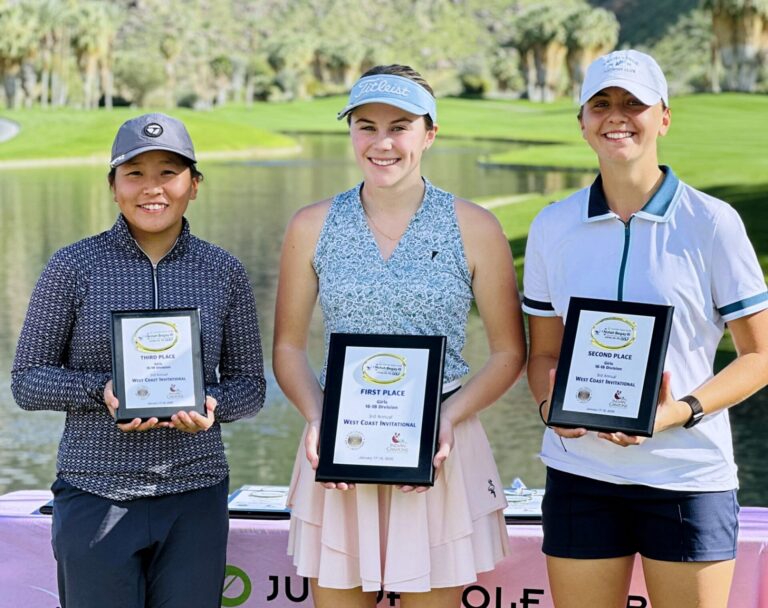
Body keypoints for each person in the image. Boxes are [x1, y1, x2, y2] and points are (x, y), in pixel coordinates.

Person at [273, 64, 526, 607]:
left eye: (400, 126)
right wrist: (319, 418)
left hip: (439, 447)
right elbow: (288, 347)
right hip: (342, 448)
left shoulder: (474, 226)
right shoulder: (311, 224)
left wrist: (448, 418)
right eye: (366, 125)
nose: (382, 142)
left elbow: (509, 353)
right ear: (350, 131)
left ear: (429, 133)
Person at [523, 50, 768, 608]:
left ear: (663, 117)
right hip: (580, 475)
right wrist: (549, 410)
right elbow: (544, 356)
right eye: (601, 103)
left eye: (634, 103)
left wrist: (674, 413)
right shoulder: (552, 225)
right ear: (582, 121)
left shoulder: (711, 223)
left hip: (687, 476)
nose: (617, 116)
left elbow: (760, 356)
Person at [11, 113, 266, 608]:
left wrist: (210, 402)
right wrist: (102, 390)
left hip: (195, 493)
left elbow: (251, 386)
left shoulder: (223, 270)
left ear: (195, 184)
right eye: (134, 174)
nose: (152, 189)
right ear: (112, 186)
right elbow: (26, 381)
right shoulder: (73, 266)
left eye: (168, 172)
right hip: (95, 491)